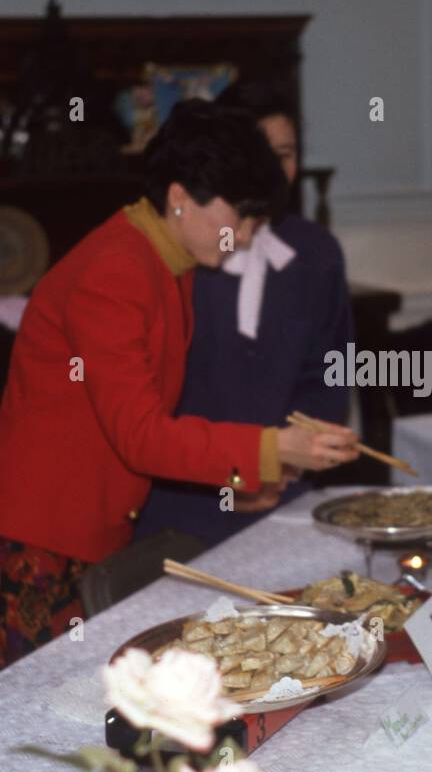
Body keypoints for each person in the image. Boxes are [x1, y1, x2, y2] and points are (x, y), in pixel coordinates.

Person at [0, 100, 359, 684]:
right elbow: (142, 436)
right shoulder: (116, 269)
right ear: (180, 197)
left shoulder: (170, 261)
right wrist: (274, 450)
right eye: (241, 216)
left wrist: (246, 476)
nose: (247, 236)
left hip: (89, 534)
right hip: (36, 541)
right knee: (32, 727)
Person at [133, 80, 353, 548]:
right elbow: (149, 409)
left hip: (283, 498)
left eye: (287, 153)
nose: (275, 170)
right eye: (260, 154)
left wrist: (287, 466)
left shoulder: (317, 254)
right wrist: (233, 473)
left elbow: (329, 378)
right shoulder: (184, 251)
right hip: (180, 499)